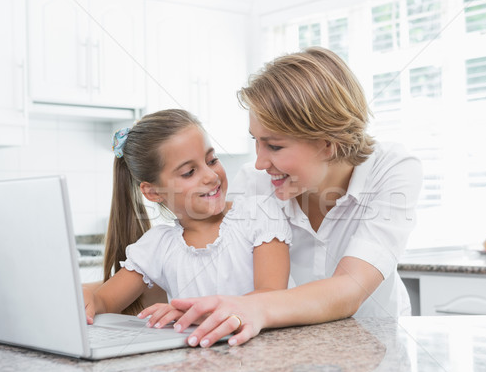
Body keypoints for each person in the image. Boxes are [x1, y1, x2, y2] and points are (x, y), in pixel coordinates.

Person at [167, 47, 422, 347]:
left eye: (274, 146)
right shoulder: (254, 183)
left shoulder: (391, 169)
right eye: (256, 143)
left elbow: (349, 289)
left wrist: (255, 307)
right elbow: (216, 270)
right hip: (288, 351)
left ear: (328, 143)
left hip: (376, 350)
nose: (260, 163)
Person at [83, 109, 291, 331]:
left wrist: (197, 314)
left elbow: (271, 296)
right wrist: (89, 300)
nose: (211, 176)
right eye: (189, 172)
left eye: (212, 160)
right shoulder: (158, 245)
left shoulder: (259, 214)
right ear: (153, 192)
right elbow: (105, 301)